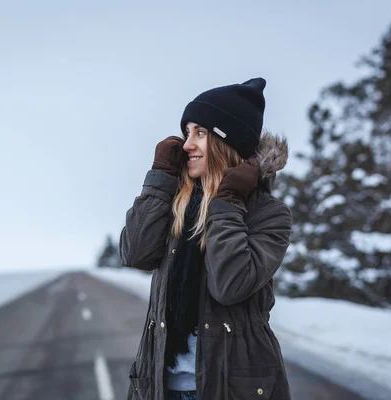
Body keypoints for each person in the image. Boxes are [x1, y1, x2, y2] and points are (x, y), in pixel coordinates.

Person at [120, 77, 293, 400]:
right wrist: (160, 178)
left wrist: (227, 204)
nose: (187, 145)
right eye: (187, 132)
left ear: (227, 142)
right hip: (160, 385)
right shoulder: (177, 201)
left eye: (200, 133)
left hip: (230, 389)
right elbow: (135, 253)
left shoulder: (268, 215)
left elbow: (230, 285)